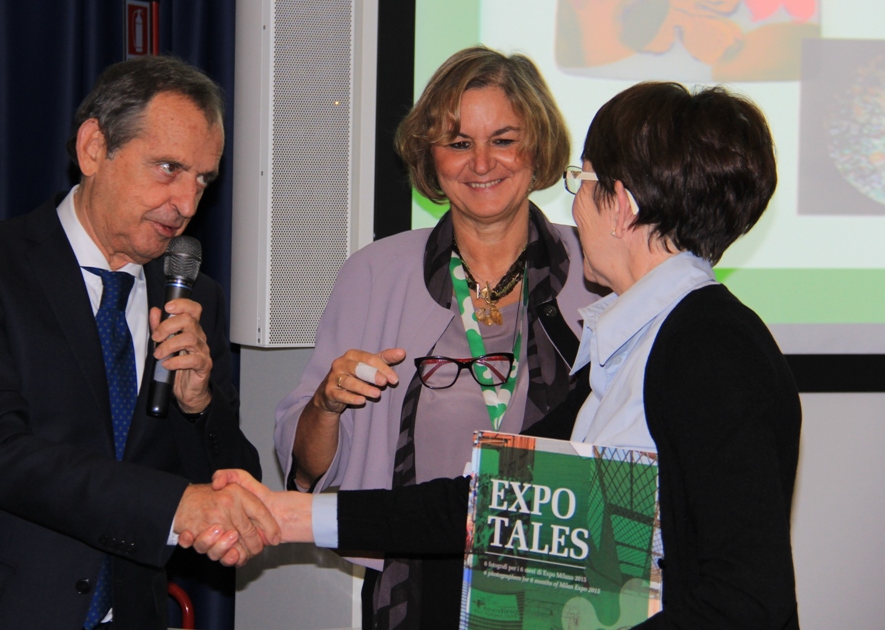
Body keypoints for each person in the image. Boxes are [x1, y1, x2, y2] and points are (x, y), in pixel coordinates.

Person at [220, 82, 801, 628]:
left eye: (582, 181)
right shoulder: (636, 343)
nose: (576, 207)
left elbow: (746, 598)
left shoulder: (712, 348)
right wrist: (287, 514)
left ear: (621, 203)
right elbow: (491, 499)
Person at [0, 56, 278, 630]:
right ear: (93, 148)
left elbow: (234, 479)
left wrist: (200, 403)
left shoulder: (195, 295)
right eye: (168, 168)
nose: (186, 203)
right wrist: (173, 506)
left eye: (203, 179)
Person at [273, 46, 601, 629]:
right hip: (417, 586)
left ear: (538, 148)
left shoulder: (597, 269)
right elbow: (306, 469)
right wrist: (326, 405)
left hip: (570, 583)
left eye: (504, 139)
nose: (482, 163)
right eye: (458, 142)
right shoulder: (375, 274)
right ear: (430, 155)